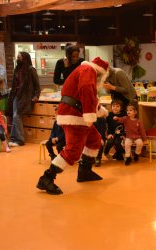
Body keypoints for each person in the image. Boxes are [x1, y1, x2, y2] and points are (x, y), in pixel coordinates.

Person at [36, 57, 110, 195]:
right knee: (73, 150)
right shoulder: (88, 70)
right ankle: (47, 178)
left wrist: (101, 112)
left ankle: (84, 171)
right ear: (101, 72)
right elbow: (86, 91)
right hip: (75, 116)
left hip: (77, 114)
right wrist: (90, 114)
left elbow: (89, 96)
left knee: (94, 140)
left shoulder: (85, 70)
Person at [7, 51, 41, 147]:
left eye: (19, 57)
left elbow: (37, 86)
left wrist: (36, 96)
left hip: (25, 97)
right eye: (17, 57)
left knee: (16, 116)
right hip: (16, 96)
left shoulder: (31, 70)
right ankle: (13, 138)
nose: (18, 59)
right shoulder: (16, 69)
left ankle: (20, 140)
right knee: (14, 117)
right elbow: (14, 84)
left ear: (25, 58)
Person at [113, 100, 148, 166]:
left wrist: (145, 139)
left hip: (137, 137)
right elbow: (121, 119)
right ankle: (128, 157)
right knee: (127, 144)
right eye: (127, 110)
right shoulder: (126, 119)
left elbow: (142, 131)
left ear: (135, 112)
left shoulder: (138, 122)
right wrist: (117, 118)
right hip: (129, 136)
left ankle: (136, 154)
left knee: (140, 143)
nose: (128, 112)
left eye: (130, 110)